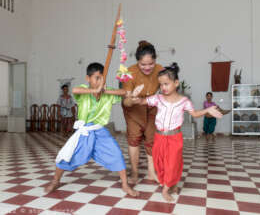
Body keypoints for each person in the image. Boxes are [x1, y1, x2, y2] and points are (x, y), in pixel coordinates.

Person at [45, 62, 138, 197]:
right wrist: (95, 90)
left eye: (102, 78)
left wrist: (104, 90)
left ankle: (125, 184)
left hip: (100, 131)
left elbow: (124, 92)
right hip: (85, 131)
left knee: (116, 154)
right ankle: (55, 181)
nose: (100, 81)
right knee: (67, 155)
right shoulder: (84, 90)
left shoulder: (107, 93)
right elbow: (75, 90)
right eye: (97, 78)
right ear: (88, 79)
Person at [132, 63, 222, 201]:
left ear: (176, 83)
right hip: (159, 137)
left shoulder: (184, 101)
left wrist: (208, 110)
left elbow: (195, 114)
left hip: (175, 137)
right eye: (161, 84)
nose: (163, 87)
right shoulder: (158, 99)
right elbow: (142, 101)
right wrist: (135, 96)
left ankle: (166, 189)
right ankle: (171, 183)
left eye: (166, 84)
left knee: (173, 163)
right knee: (160, 163)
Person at [122, 41, 163, 184]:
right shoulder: (130, 72)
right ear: (137, 61)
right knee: (134, 139)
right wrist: (132, 98)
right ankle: (134, 173)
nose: (147, 67)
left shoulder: (160, 70)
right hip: (133, 108)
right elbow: (126, 100)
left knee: (151, 139)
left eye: (150, 64)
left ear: (155, 60)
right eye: (143, 64)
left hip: (151, 105)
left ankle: (152, 173)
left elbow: (166, 88)